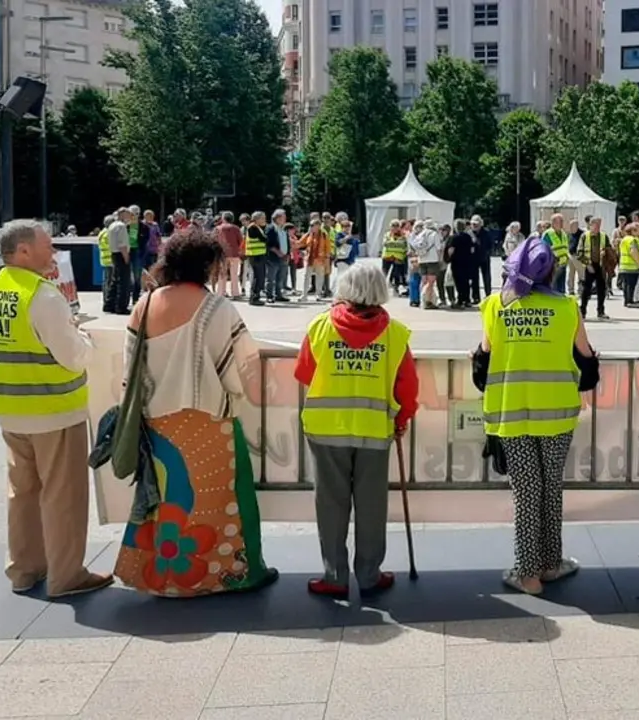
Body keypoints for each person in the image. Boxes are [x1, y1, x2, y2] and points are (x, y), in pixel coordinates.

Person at [112, 227, 278, 596]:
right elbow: (242, 369)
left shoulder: (146, 303)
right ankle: (228, 573)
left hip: (156, 419)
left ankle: (166, 577)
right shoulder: (216, 307)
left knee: (168, 498)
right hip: (207, 419)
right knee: (223, 499)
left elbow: (129, 368)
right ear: (207, 265)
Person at [0, 219, 111, 597]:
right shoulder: (43, 295)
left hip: (8, 406)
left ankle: (24, 569)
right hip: (53, 406)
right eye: (47, 245)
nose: (53, 252)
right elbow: (72, 356)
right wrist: (84, 338)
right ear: (23, 251)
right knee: (63, 494)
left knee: (23, 492)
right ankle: (66, 576)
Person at [473, 237, 597, 595]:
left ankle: (527, 573)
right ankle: (550, 563)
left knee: (526, 491)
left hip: (511, 411)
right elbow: (586, 362)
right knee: (551, 487)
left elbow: (483, 362)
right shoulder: (567, 307)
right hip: (557, 412)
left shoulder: (496, 305)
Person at [293, 263, 418, 598]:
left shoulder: (320, 326)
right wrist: (402, 418)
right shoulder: (396, 334)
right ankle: (369, 574)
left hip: (326, 430)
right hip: (374, 431)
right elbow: (407, 387)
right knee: (372, 504)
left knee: (330, 504)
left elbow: (305, 373)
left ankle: (334, 575)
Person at [577, 216, 610, 320]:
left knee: (602, 289)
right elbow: (580, 253)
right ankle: (583, 312)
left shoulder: (604, 236)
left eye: (599, 225)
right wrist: (588, 264)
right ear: (590, 225)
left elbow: (609, 249)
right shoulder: (584, 236)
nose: (598, 227)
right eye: (596, 225)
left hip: (600, 266)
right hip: (589, 265)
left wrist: (605, 252)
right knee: (586, 290)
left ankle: (601, 311)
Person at [106, 208, 133, 314]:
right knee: (123, 282)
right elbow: (122, 245)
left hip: (114, 254)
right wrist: (126, 258)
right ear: (122, 214)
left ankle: (109, 304)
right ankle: (121, 307)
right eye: (127, 214)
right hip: (121, 254)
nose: (129, 217)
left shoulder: (112, 225)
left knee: (115, 280)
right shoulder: (121, 226)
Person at [447, 219, 479, 308]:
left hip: (457, 262)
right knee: (466, 281)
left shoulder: (454, 237)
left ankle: (460, 300)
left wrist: (448, 258)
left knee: (458, 282)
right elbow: (472, 249)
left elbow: (451, 250)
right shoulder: (468, 237)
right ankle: (467, 300)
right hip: (467, 262)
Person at [617, 222, 639, 307]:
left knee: (626, 285)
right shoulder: (632, 240)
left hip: (624, 265)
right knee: (631, 285)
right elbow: (634, 252)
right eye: (636, 230)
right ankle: (630, 301)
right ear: (632, 231)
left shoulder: (624, 239)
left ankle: (627, 301)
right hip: (631, 266)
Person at [215, 212, 244, 299]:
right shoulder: (236, 228)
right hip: (234, 254)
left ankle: (221, 293)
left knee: (222, 274)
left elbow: (214, 241)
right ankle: (235, 293)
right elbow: (241, 241)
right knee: (234, 275)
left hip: (222, 254)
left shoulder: (218, 228)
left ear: (223, 219)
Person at [541, 214, 572, 294]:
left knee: (561, 289)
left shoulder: (564, 233)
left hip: (563, 265)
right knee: (552, 288)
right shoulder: (548, 234)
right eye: (560, 221)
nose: (562, 223)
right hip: (553, 266)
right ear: (553, 222)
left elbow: (565, 248)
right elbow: (544, 249)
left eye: (562, 221)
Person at [245, 211, 270, 306]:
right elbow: (264, 239)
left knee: (260, 276)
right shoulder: (253, 227)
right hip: (255, 255)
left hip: (258, 255)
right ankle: (254, 298)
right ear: (257, 219)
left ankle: (256, 296)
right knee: (257, 277)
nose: (264, 220)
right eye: (263, 218)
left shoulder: (257, 227)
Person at [381, 219, 408, 294]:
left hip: (398, 257)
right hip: (387, 256)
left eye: (397, 226)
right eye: (393, 226)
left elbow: (404, 245)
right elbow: (385, 243)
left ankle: (395, 289)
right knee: (384, 273)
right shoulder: (387, 234)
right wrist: (397, 244)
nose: (395, 228)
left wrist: (392, 243)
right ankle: (381, 289)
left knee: (397, 274)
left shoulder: (404, 235)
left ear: (399, 227)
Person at [96, 214, 117, 314]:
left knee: (106, 282)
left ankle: (106, 301)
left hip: (105, 260)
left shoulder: (102, 232)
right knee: (109, 283)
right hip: (110, 261)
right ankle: (108, 302)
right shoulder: (108, 233)